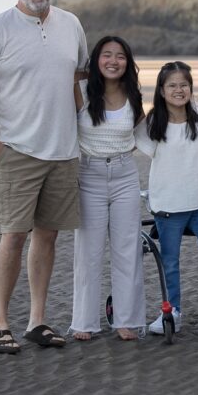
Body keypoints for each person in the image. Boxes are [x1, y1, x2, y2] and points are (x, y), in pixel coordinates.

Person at [0, 0, 88, 354]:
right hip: (17, 151)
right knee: (13, 237)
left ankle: (37, 320)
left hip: (63, 152)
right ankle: (0, 322)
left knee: (48, 237)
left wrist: (84, 126)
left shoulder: (71, 25)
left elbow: (77, 79)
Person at [135, 62, 198, 336]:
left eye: (184, 85)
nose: (178, 90)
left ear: (191, 89)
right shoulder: (152, 122)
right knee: (170, 263)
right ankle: (173, 313)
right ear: (161, 89)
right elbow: (136, 143)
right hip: (168, 205)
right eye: (172, 85)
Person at [69, 36, 145, 342]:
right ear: (96, 60)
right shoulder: (83, 92)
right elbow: (62, 74)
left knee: (128, 249)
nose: (113, 61)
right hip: (90, 174)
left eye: (120, 56)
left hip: (126, 174)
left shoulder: (133, 94)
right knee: (88, 250)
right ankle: (83, 322)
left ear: (128, 62)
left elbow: (145, 134)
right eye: (106, 55)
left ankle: (126, 320)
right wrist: (81, 74)